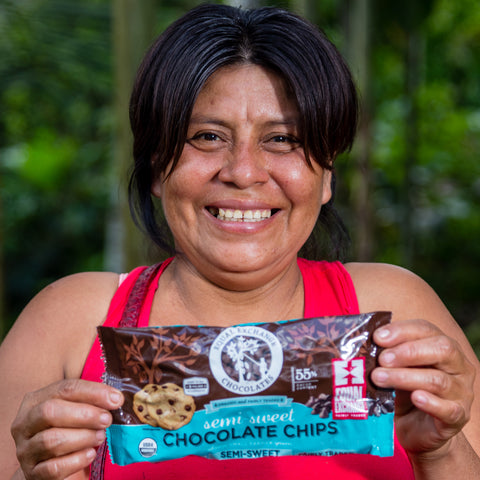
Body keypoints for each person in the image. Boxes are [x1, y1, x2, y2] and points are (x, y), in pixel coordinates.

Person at [0, 4, 478, 480]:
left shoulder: (397, 315)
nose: (244, 173)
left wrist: (441, 452)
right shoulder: (67, 324)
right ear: (156, 169)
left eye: (283, 139)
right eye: (207, 136)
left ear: (327, 174)